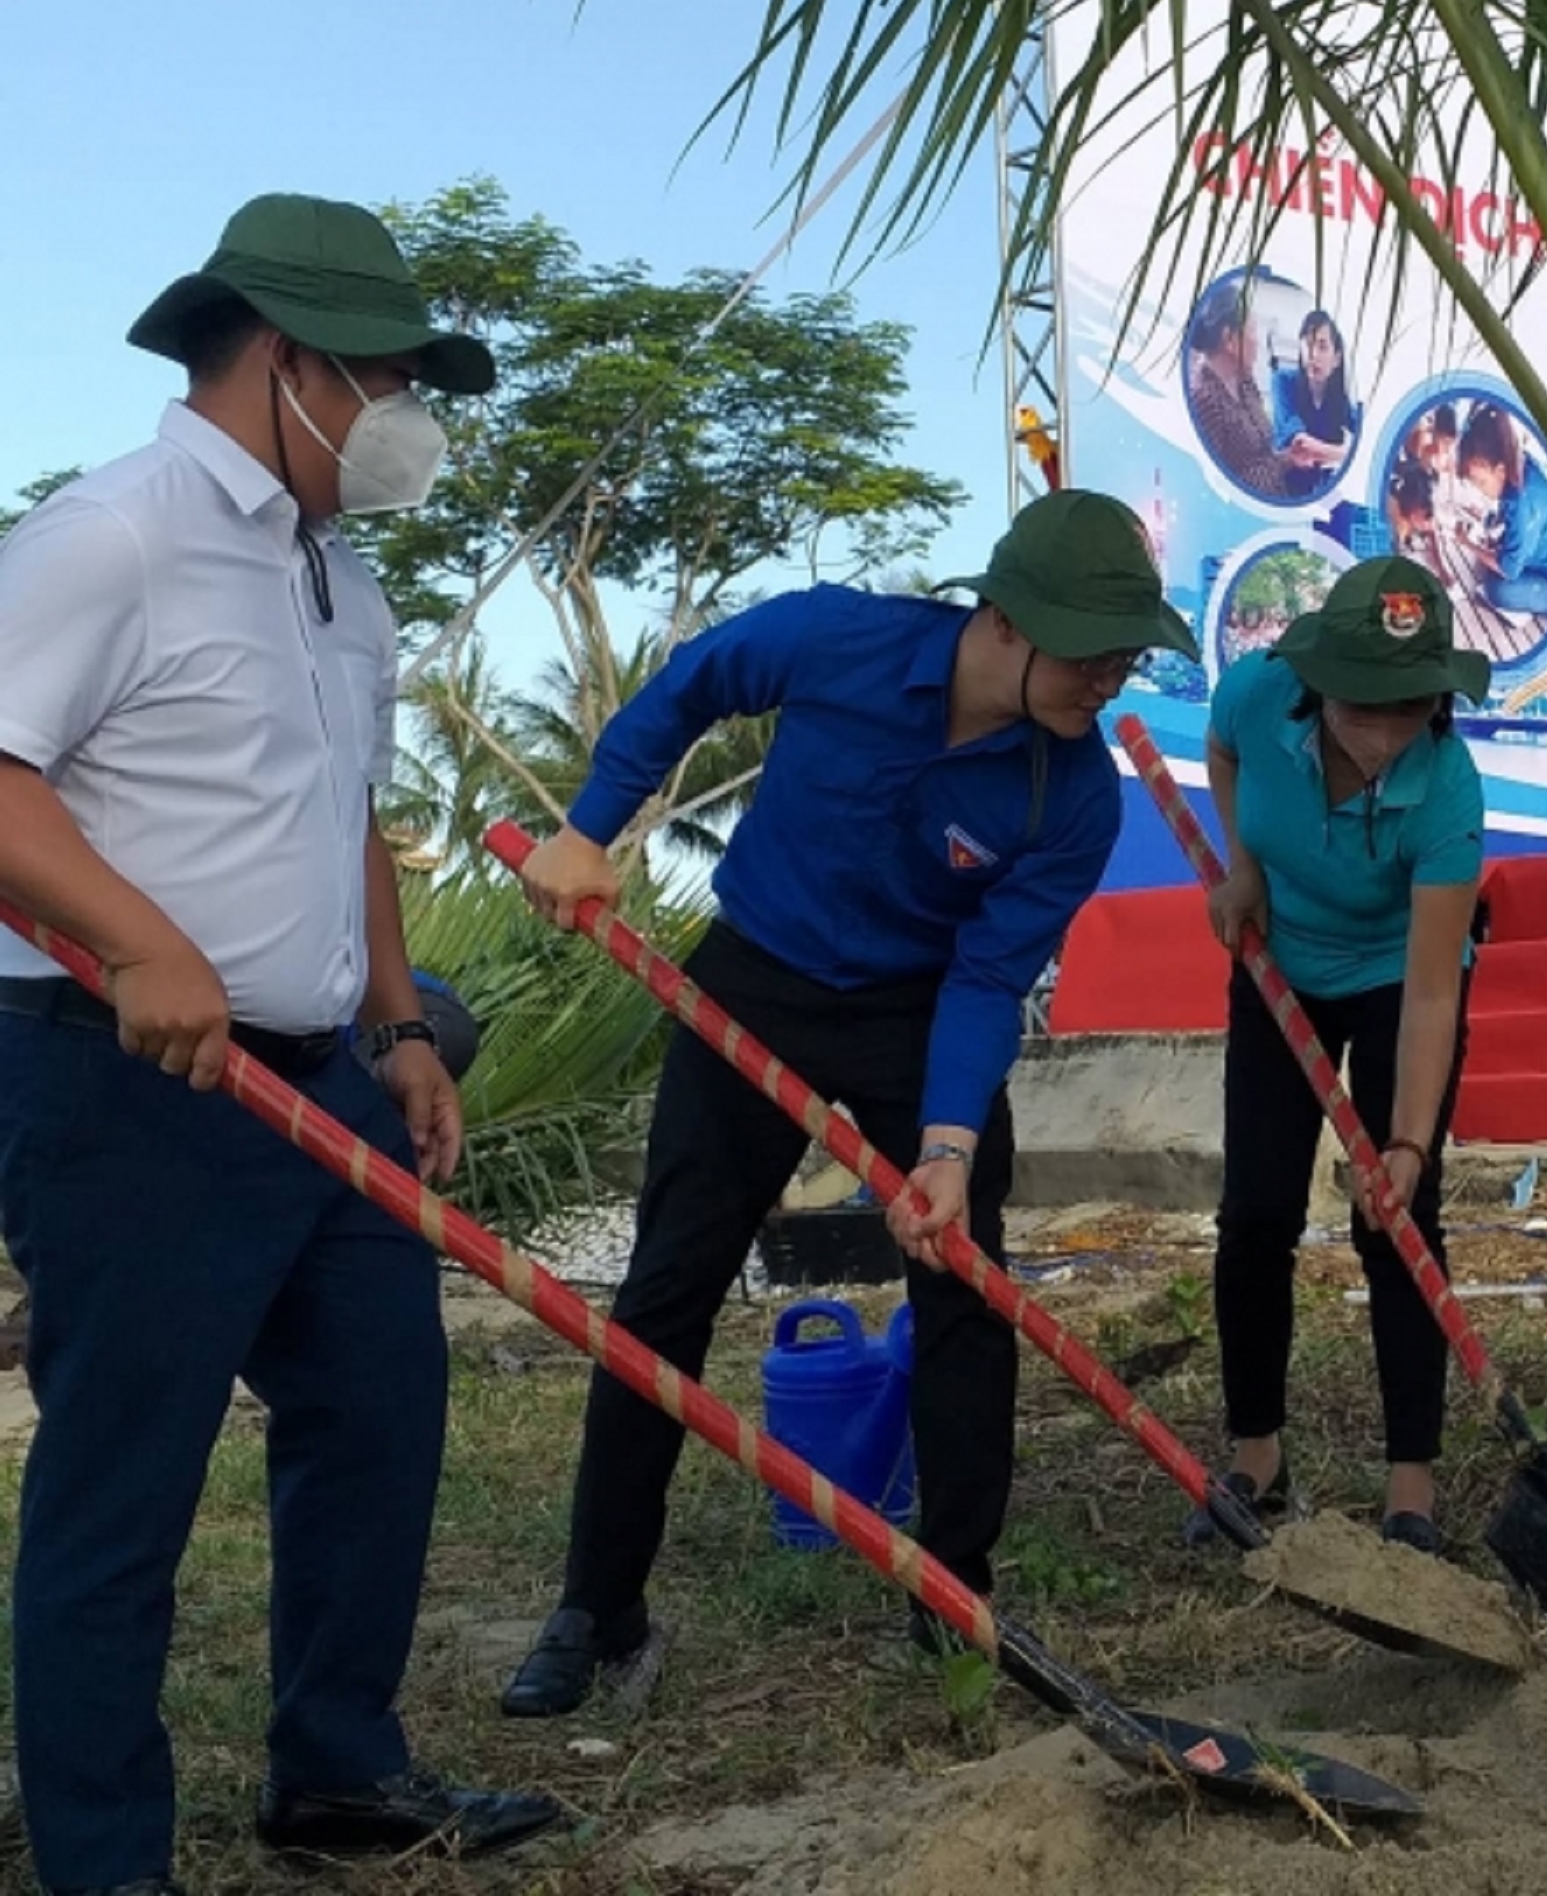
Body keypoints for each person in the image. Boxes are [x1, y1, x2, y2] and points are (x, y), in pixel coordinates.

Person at [0, 194, 559, 1895]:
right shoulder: (113, 535)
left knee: (381, 1404)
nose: (407, 414)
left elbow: (347, 820)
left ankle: (336, 1770)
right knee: (126, 1477)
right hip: (131, 1080)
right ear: (283, 360)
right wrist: (140, 943)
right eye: (389, 377)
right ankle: (106, 1861)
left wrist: (395, 1023)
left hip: (319, 1081)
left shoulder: (340, 579)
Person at [500, 488, 1200, 1715]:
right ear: (1004, 622)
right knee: (666, 1288)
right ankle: (596, 1609)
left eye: (1125, 660)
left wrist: (946, 1147)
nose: (1108, 681)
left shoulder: (1074, 796)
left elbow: (987, 976)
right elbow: (692, 687)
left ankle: (954, 1593)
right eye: (1091, 655)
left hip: (916, 1015)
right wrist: (589, 827)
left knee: (964, 1283)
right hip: (756, 979)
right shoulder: (836, 638)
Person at [1188, 556, 1488, 1553]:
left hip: (1397, 975)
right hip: (1280, 962)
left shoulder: (1449, 793)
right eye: (1363, 706)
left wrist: (1406, 1146)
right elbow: (1222, 751)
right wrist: (1243, 868)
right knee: (1255, 1213)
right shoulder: (1257, 694)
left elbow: (1435, 990)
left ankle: (1411, 1490)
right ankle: (1256, 1457)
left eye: (1411, 707)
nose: (1385, 734)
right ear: (1317, 687)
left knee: (1397, 1221)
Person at [1186, 280, 1295, 502]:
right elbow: (1224, 486)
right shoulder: (1203, 400)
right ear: (1230, 340)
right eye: (1252, 331)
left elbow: (1263, 455)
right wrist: (1284, 462)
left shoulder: (1245, 380)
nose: (1257, 342)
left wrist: (1289, 456)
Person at [1461, 404, 1547, 618]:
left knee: (1497, 590)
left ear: (1500, 470)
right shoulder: (1518, 461)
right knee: (1491, 553)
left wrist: (1466, 543)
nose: (1479, 489)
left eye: (1481, 482)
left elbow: (1508, 571)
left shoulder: (1524, 506)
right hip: (1543, 552)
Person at [1271, 309, 1359, 500]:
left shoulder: (1339, 401)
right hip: (1281, 492)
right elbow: (1303, 445)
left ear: (1336, 359)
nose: (1313, 355)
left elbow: (1365, 435)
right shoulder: (1283, 381)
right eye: (1307, 344)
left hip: (1320, 495)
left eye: (1322, 347)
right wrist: (1346, 454)